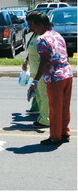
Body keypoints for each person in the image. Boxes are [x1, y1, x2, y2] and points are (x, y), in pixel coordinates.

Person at [28, 14, 73, 145]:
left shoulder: (42, 39)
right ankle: (64, 132)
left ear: (39, 25)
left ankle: (55, 137)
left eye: (34, 26)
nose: (34, 29)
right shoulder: (57, 35)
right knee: (64, 107)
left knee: (54, 109)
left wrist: (35, 80)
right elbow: (65, 54)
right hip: (67, 74)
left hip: (55, 77)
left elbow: (44, 61)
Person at [22, 11, 49, 128]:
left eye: (29, 24)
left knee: (44, 96)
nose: (28, 27)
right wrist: (26, 60)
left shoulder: (42, 36)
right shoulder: (34, 34)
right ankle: (41, 115)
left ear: (35, 23)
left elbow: (44, 58)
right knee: (38, 96)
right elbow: (31, 50)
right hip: (35, 70)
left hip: (41, 72)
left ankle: (45, 120)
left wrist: (37, 78)